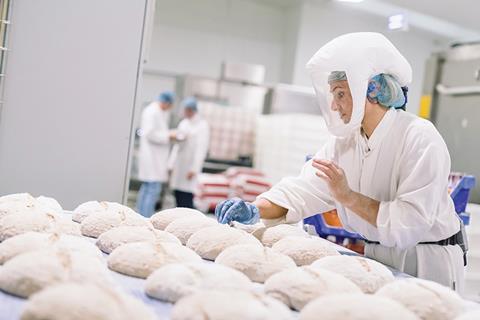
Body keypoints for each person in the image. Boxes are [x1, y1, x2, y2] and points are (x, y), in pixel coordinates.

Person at [215, 32, 466, 293]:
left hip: (426, 263)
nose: (334, 106)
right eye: (332, 95)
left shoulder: (419, 137)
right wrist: (254, 208)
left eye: (341, 94)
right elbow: (303, 190)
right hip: (378, 258)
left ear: (372, 90)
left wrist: (347, 196)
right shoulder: (345, 142)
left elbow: (409, 225)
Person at [136, 91, 175, 217]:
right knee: (152, 189)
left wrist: (166, 135)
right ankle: (146, 218)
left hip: (153, 157)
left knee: (147, 188)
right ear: (166, 103)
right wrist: (168, 136)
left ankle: (141, 216)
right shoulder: (152, 112)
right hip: (152, 157)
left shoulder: (156, 112)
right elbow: (150, 133)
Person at [168, 97, 210, 208]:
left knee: (186, 196)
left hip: (190, 166)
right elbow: (176, 146)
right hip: (179, 164)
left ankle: (188, 222)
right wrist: (171, 164)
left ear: (192, 110)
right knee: (177, 193)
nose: (185, 112)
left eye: (187, 110)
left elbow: (201, 149)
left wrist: (194, 169)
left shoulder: (202, 125)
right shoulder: (184, 123)